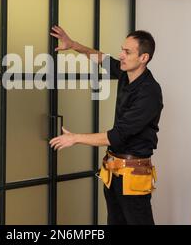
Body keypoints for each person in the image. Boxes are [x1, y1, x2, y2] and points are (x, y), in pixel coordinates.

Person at [49, 25, 163, 225]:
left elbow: (116, 136)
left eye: (127, 52)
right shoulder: (126, 73)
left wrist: (74, 138)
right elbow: (101, 58)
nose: (121, 55)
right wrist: (73, 44)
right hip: (113, 172)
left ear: (143, 58)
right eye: (122, 50)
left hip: (133, 176)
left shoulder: (149, 93)